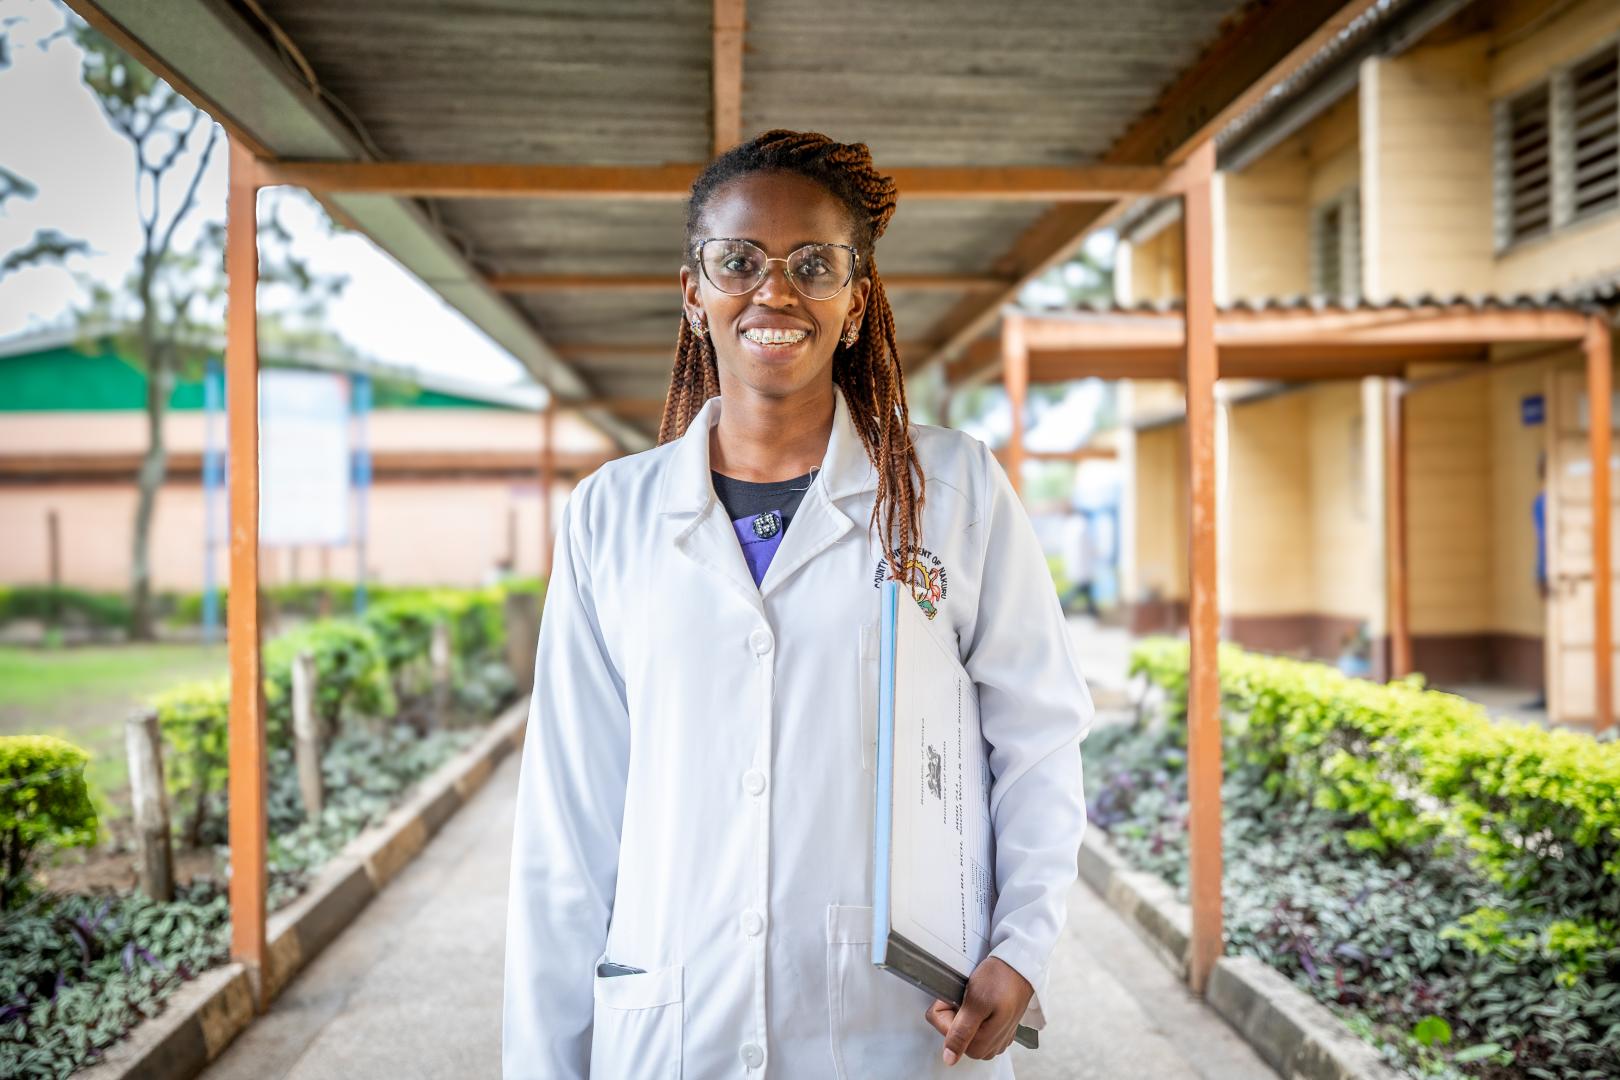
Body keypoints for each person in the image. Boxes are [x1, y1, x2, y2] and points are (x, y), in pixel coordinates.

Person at [502, 130, 1093, 1079]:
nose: (773, 291)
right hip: (675, 1027)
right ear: (694, 292)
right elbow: (567, 821)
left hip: (895, 1030)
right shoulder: (611, 516)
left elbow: (1038, 738)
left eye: (812, 264)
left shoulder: (953, 489)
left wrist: (1022, 946)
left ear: (856, 302)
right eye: (738, 261)